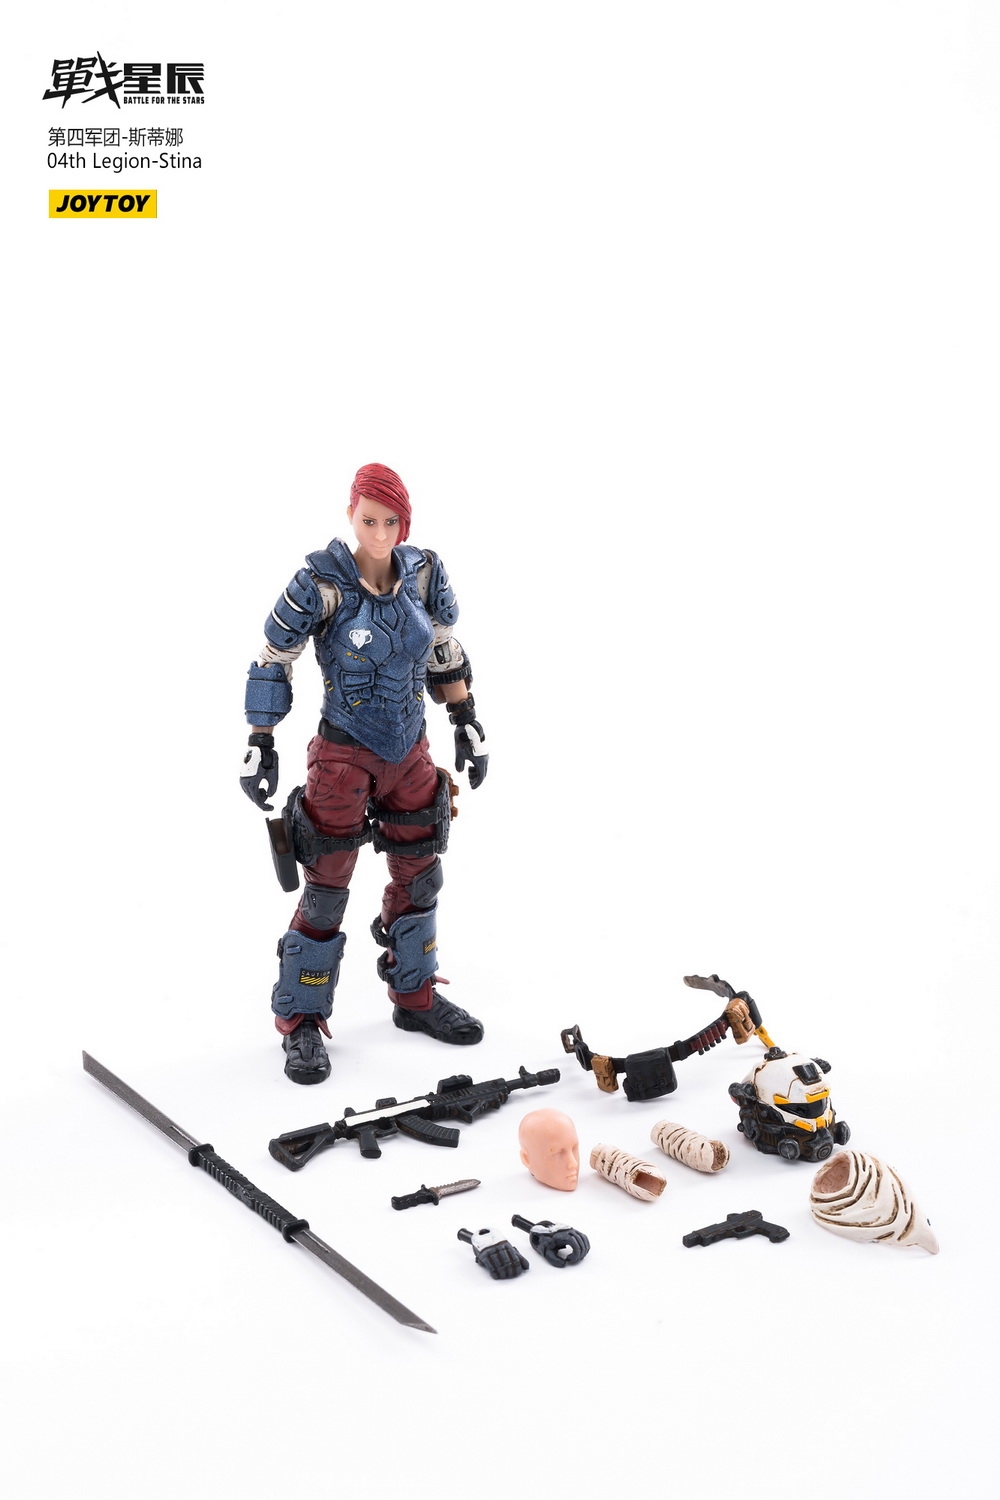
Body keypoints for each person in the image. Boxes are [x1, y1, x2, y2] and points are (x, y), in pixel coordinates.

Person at [240, 463, 488, 1084]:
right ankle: (301, 1018)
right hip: (343, 754)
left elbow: (443, 651)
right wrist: (259, 742)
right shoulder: (321, 582)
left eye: (391, 522)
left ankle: (416, 994)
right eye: (369, 519)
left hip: (410, 749)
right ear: (351, 515)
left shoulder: (424, 575)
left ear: (405, 523)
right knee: (326, 886)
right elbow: (274, 657)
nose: (380, 533)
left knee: (421, 873)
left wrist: (466, 720)